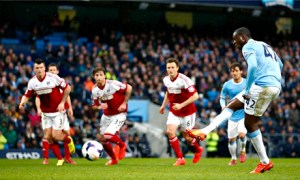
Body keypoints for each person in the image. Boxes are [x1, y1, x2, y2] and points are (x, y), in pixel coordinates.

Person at [187, 27, 283, 174]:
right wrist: (272, 78)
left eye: (236, 39)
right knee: (237, 110)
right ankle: (204, 131)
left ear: (243, 37)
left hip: (261, 85)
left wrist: (247, 89)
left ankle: (265, 162)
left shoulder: (248, 46)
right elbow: (280, 64)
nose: (234, 42)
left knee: (249, 123)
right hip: (275, 86)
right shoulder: (264, 45)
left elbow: (252, 67)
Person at [19, 58, 75, 166]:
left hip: (57, 112)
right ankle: (60, 159)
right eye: (37, 68)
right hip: (45, 113)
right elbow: (27, 95)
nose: (39, 70)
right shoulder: (32, 82)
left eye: (41, 67)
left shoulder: (54, 78)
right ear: (34, 69)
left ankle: (68, 140)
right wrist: (22, 103)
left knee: (56, 136)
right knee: (48, 137)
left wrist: (62, 103)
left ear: (44, 68)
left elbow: (68, 89)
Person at [159, 58, 203, 166]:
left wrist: (181, 105)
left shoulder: (185, 80)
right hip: (174, 111)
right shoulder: (166, 80)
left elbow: (195, 96)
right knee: (170, 132)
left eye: (173, 67)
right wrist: (163, 106)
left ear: (177, 68)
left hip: (188, 112)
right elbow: (169, 92)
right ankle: (180, 158)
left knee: (187, 137)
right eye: (168, 67)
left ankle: (198, 149)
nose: (170, 70)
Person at [36, 63, 76, 165]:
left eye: (54, 70)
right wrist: (38, 108)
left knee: (66, 134)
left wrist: (70, 107)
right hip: (48, 113)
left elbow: (67, 95)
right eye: (50, 70)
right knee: (49, 136)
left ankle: (67, 157)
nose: (52, 72)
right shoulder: (44, 82)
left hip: (61, 113)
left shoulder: (61, 82)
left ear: (57, 71)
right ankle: (47, 159)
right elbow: (37, 97)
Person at [91, 67, 132, 166]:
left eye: (101, 75)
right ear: (94, 77)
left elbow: (129, 88)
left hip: (119, 114)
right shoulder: (94, 90)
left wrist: (124, 103)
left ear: (105, 76)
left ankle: (122, 145)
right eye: (97, 75)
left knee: (108, 134)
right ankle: (113, 159)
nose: (99, 77)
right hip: (106, 115)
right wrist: (100, 106)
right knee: (103, 139)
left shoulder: (113, 84)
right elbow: (94, 106)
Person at [220, 62, 247, 165]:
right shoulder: (227, 85)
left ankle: (243, 150)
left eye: (236, 71)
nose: (234, 73)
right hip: (232, 115)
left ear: (241, 71)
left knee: (241, 134)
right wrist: (223, 106)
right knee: (231, 140)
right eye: (232, 71)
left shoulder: (246, 83)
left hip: (244, 115)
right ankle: (233, 158)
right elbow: (222, 97)